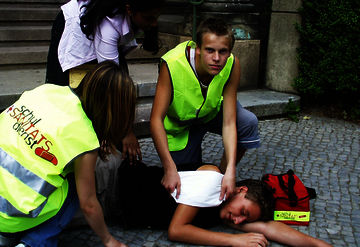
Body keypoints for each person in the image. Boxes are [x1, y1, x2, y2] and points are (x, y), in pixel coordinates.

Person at [0, 61, 136, 247]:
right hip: (7, 217)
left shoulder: (48, 90)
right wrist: (109, 240)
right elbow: (88, 204)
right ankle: (34, 243)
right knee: (76, 188)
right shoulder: (85, 138)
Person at [150, 17, 260, 201]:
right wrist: (169, 168)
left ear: (230, 51)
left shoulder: (233, 64)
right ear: (197, 48)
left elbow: (229, 121)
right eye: (210, 50)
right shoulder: (172, 63)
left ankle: (222, 180)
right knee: (184, 182)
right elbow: (155, 120)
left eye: (223, 52)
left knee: (247, 122)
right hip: (180, 125)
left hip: (210, 113)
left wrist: (230, 171)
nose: (216, 58)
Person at [46, 0, 165, 163]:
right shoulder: (109, 26)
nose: (154, 23)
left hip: (100, 22)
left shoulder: (125, 16)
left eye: (156, 17)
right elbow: (110, 82)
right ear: (129, 10)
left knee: (118, 75)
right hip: (73, 25)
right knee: (61, 92)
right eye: (148, 18)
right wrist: (127, 132)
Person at [115, 161, 333, 247]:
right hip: (113, 185)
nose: (238, 220)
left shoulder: (228, 210)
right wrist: (234, 241)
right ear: (241, 190)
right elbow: (177, 230)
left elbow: (268, 227)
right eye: (243, 212)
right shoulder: (213, 179)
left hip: (115, 210)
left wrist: (320, 246)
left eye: (245, 219)